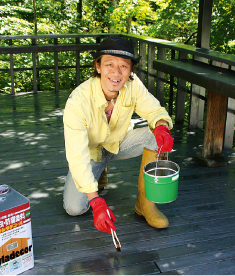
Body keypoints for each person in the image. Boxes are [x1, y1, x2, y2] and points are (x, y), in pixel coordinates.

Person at [63, 37, 173, 234]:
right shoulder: (77, 102)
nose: (116, 72)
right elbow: (77, 156)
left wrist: (162, 127)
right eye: (109, 64)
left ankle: (145, 204)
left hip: (118, 143)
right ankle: (98, 173)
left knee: (154, 136)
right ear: (97, 66)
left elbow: (154, 111)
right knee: (75, 208)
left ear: (131, 70)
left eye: (124, 65)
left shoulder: (133, 85)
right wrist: (96, 202)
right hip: (91, 152)